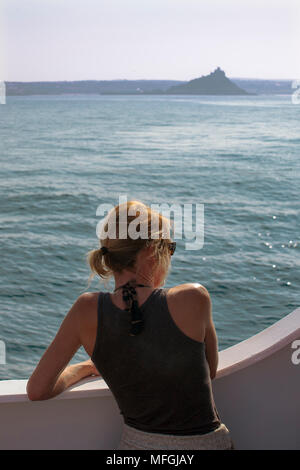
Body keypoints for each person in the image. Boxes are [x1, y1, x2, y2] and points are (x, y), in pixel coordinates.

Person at [27, 200, 235, 450]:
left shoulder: (86, 310)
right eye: (169, 248)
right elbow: (209, 371)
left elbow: (37, 390)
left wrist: (84, 369)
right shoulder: (193, 298)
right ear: (150, 250)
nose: (169, 256)